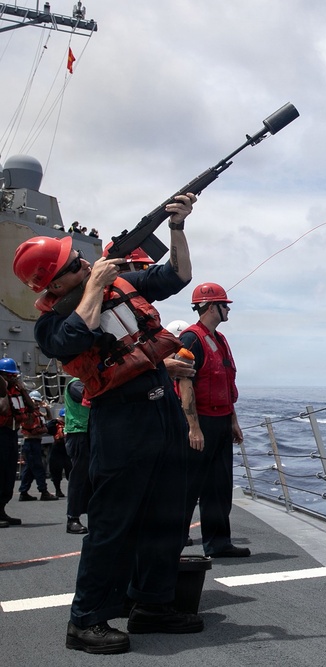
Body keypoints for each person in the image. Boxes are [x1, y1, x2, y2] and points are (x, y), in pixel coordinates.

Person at [12, 192, 202, 654]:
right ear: (54, 285)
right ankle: (87, 620)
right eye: (76, 264)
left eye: (82, 258)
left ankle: (152, 604)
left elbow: (178, 275)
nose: (85, 261)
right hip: (120, 422)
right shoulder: (51, 325)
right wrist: (94, 286)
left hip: (161, 411)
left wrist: (176, 227)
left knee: (167, 514)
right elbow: (75, 337)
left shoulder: (122, 286)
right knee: (114, 523)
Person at [178, 283, 248, 558]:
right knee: (189, 485)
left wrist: (233, 421)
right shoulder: (190, 339)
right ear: (211, 307)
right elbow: (185, 384)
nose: (228, 309)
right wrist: (193, 428)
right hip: (201, 423)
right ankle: (174, 539)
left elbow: (226, 383)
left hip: (220, 421)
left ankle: (218, 543)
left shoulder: (219, 340)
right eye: (224, 304)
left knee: (219, 486)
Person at [16, 389, 56, 502]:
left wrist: (47, 407)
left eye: (38, 401)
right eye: (34, 401)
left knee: (29, 469)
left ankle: (23, 491)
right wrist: (46, 429)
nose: (36, 403)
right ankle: (43, 491)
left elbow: (48, 417)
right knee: (38, 468)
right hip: (31, 442)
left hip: (36, 443)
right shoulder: (28, 413)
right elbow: (32, 429)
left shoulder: (37, 413)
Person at [62, 378, 91, 534]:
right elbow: (89, 398)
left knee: (95, 477)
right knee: (79, 478)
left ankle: (95, 517)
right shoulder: (76, 384)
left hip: (91, 433)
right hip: (79, 434)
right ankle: (72, 518)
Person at [0, 358, 25, 527]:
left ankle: (1, 509)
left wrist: (22, 390)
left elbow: (30, 407)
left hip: (11, 433)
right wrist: (3, 388)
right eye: (8, 376)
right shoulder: (2, 391)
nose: (12, 379)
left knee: (8, 474)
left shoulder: (15, 389)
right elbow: (3, 409)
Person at [48, 408, 71, 499]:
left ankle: (74, 490)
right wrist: (54, 421)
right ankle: (58, 489)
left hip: (67, 449)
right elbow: (48, 428)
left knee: (70, 470)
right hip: (57, 448)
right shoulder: (56, 424)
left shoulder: (70, 424)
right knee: (56, 471)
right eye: (63, 418)